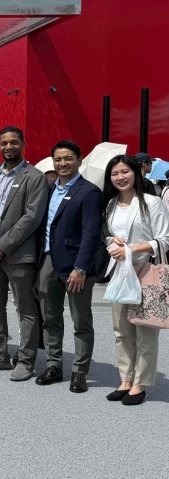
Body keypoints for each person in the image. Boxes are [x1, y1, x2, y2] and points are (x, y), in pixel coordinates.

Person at [0, 126, 47, 381]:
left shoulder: (34, 177)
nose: (8, 147)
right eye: (4, 143)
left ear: (23, 144)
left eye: (14, 142)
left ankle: (26, 361)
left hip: (17, 254)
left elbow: (32, 217)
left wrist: (1, 245)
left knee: (25, 308)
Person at [35, 140, 102, 393]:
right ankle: (54, 364)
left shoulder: (89, 191)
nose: (63, 163)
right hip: (47, 262)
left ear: (79, 160)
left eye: (68, 158)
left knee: (80, 320)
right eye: (58, 159)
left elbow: (91, 234)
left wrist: (81, 268)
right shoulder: (49, 189)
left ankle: (79, 371)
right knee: (50, 318)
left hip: (76, 267)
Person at [102, 155, 169, 405]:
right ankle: (125, 379)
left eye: (125, 172)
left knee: (145, 330)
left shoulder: (150, 202)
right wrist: (113, 243)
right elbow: (108, 236)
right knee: (121, 331)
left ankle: (141, 383)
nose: (120, 177)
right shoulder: (110, 204)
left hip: (145, 271)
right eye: (115, 173)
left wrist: (132, 249)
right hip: (120, 272)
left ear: (136, 172)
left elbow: (165, 239)